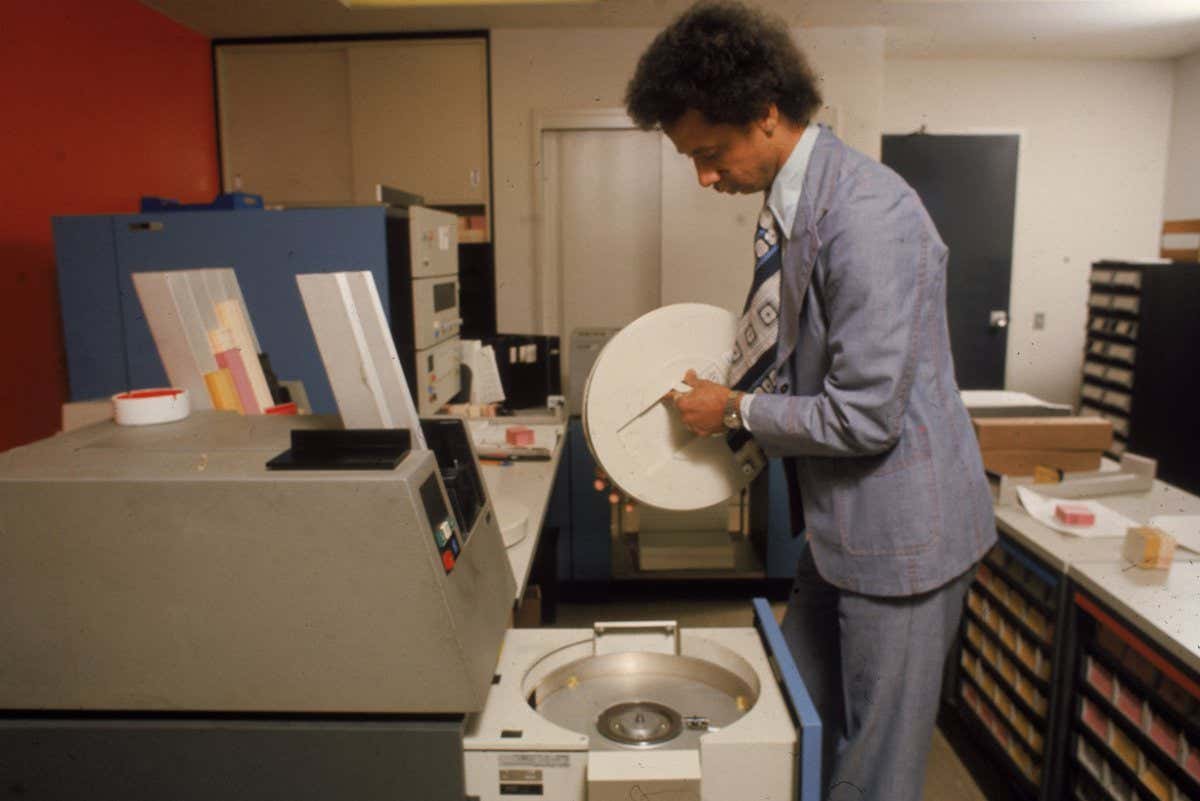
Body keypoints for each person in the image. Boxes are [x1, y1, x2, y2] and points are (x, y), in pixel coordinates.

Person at [625, 3, 997, 800]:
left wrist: (732, 411)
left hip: (900, 541)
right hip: (839, 530)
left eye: (710, 152)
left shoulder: (866, 217)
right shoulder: (797, 202)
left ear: (765, 114)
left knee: (875, 769)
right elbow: (794, 359)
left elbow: (864, 414)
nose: (703, 176)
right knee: (796, 723)